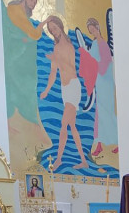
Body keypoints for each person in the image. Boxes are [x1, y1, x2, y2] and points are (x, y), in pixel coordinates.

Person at [39, 16, 89, 171]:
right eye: (51, 30)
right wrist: (46, 90)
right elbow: (53, 73)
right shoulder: (56, 48)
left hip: (73, 86)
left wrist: (56, 58)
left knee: (63, 124)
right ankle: (83, 161)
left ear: (60, 26)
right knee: (72, 126)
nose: (54, 31)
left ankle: (59, 159)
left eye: (55, 28)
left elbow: (70, 66)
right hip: (64, 89)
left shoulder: (68, 44)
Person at [3, 0, 48, 126]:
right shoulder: (15, 10)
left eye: (35, 2)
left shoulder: (21, 13)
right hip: (13, 52)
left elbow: (28, 35)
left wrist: (26, 38)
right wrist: (42, 25)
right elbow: (34, 34)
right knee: (26, 78)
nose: (33, 3)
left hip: (17, 51)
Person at [84, 16, 119, 157]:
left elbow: (106, 63)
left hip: (106, 82)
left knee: (108, 112)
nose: (92, 31)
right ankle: (99, 144)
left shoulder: (103, 44)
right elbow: (91, 60)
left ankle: (118, 141)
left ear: (97, 27)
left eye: (93, 29)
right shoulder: (94, 44)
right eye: (90, 30)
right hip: (99, 81)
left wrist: (96, 66)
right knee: (99, 114)